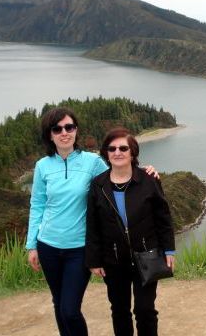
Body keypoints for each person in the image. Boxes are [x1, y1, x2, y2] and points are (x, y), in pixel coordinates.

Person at [26, 108, 157, 336]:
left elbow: (121, 173)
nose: (64, 132)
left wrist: (146, 171)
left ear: (76, 130)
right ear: (50, 135)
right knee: (59, 304)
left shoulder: (92, 162)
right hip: (48, 245)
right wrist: (32, 245)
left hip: (79, 248)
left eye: (70, 127)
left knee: (70, 310)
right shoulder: (42, 166)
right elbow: (37, 205)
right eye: (57, 129)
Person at [85, 127, 175, 336]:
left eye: (123, 148)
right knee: (119, 310)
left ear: (132, 152)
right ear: (106, 153)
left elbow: (163, 217)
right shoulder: (98, 185)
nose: (118, 152)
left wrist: (169, 251)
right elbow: (93, 224)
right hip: (113, 260)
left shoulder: (149, 179)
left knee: (145, 310)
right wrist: (94, 260)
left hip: (147, 256)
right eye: (112, 148)